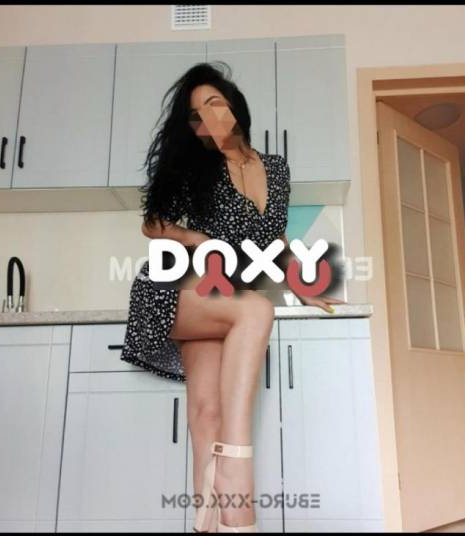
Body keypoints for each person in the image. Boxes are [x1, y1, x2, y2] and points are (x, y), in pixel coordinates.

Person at [120, 61, 343, 532]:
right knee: (257, 310)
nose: (208, 116)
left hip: (224, 294)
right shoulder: (197, 168)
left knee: (207, 411)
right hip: (178, 285)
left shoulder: (276, 169)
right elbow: (151, 224)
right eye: (197, 113)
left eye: (214, 102)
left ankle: (210, 522)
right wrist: (196, 239)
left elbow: (276, 240)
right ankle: (237, 485)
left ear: (236, 107)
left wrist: (306, 287)